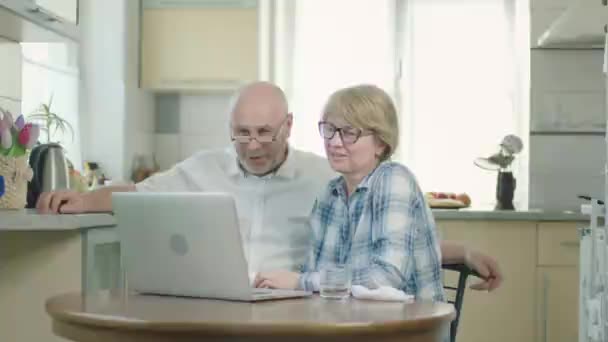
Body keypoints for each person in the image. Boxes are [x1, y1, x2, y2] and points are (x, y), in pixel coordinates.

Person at [36, 81, 502, 291]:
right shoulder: (332, 195)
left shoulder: (330, 178)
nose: (253, 145)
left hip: (306, 312)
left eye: (265, 133)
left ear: (288, 127)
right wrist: (83, 199)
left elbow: (385, 256)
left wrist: (460, 251)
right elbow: (137, 194)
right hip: (230, 305)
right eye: (242, 133)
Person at [254, 84, 444, 301]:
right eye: (329, 129)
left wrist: (300, 281)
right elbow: (318, 279)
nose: (334, 142)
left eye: (349, 133)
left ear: (381, 143)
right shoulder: (330, 194)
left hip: (408, 329)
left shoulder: (394, 180)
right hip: (345, 324)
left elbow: (386, 277)